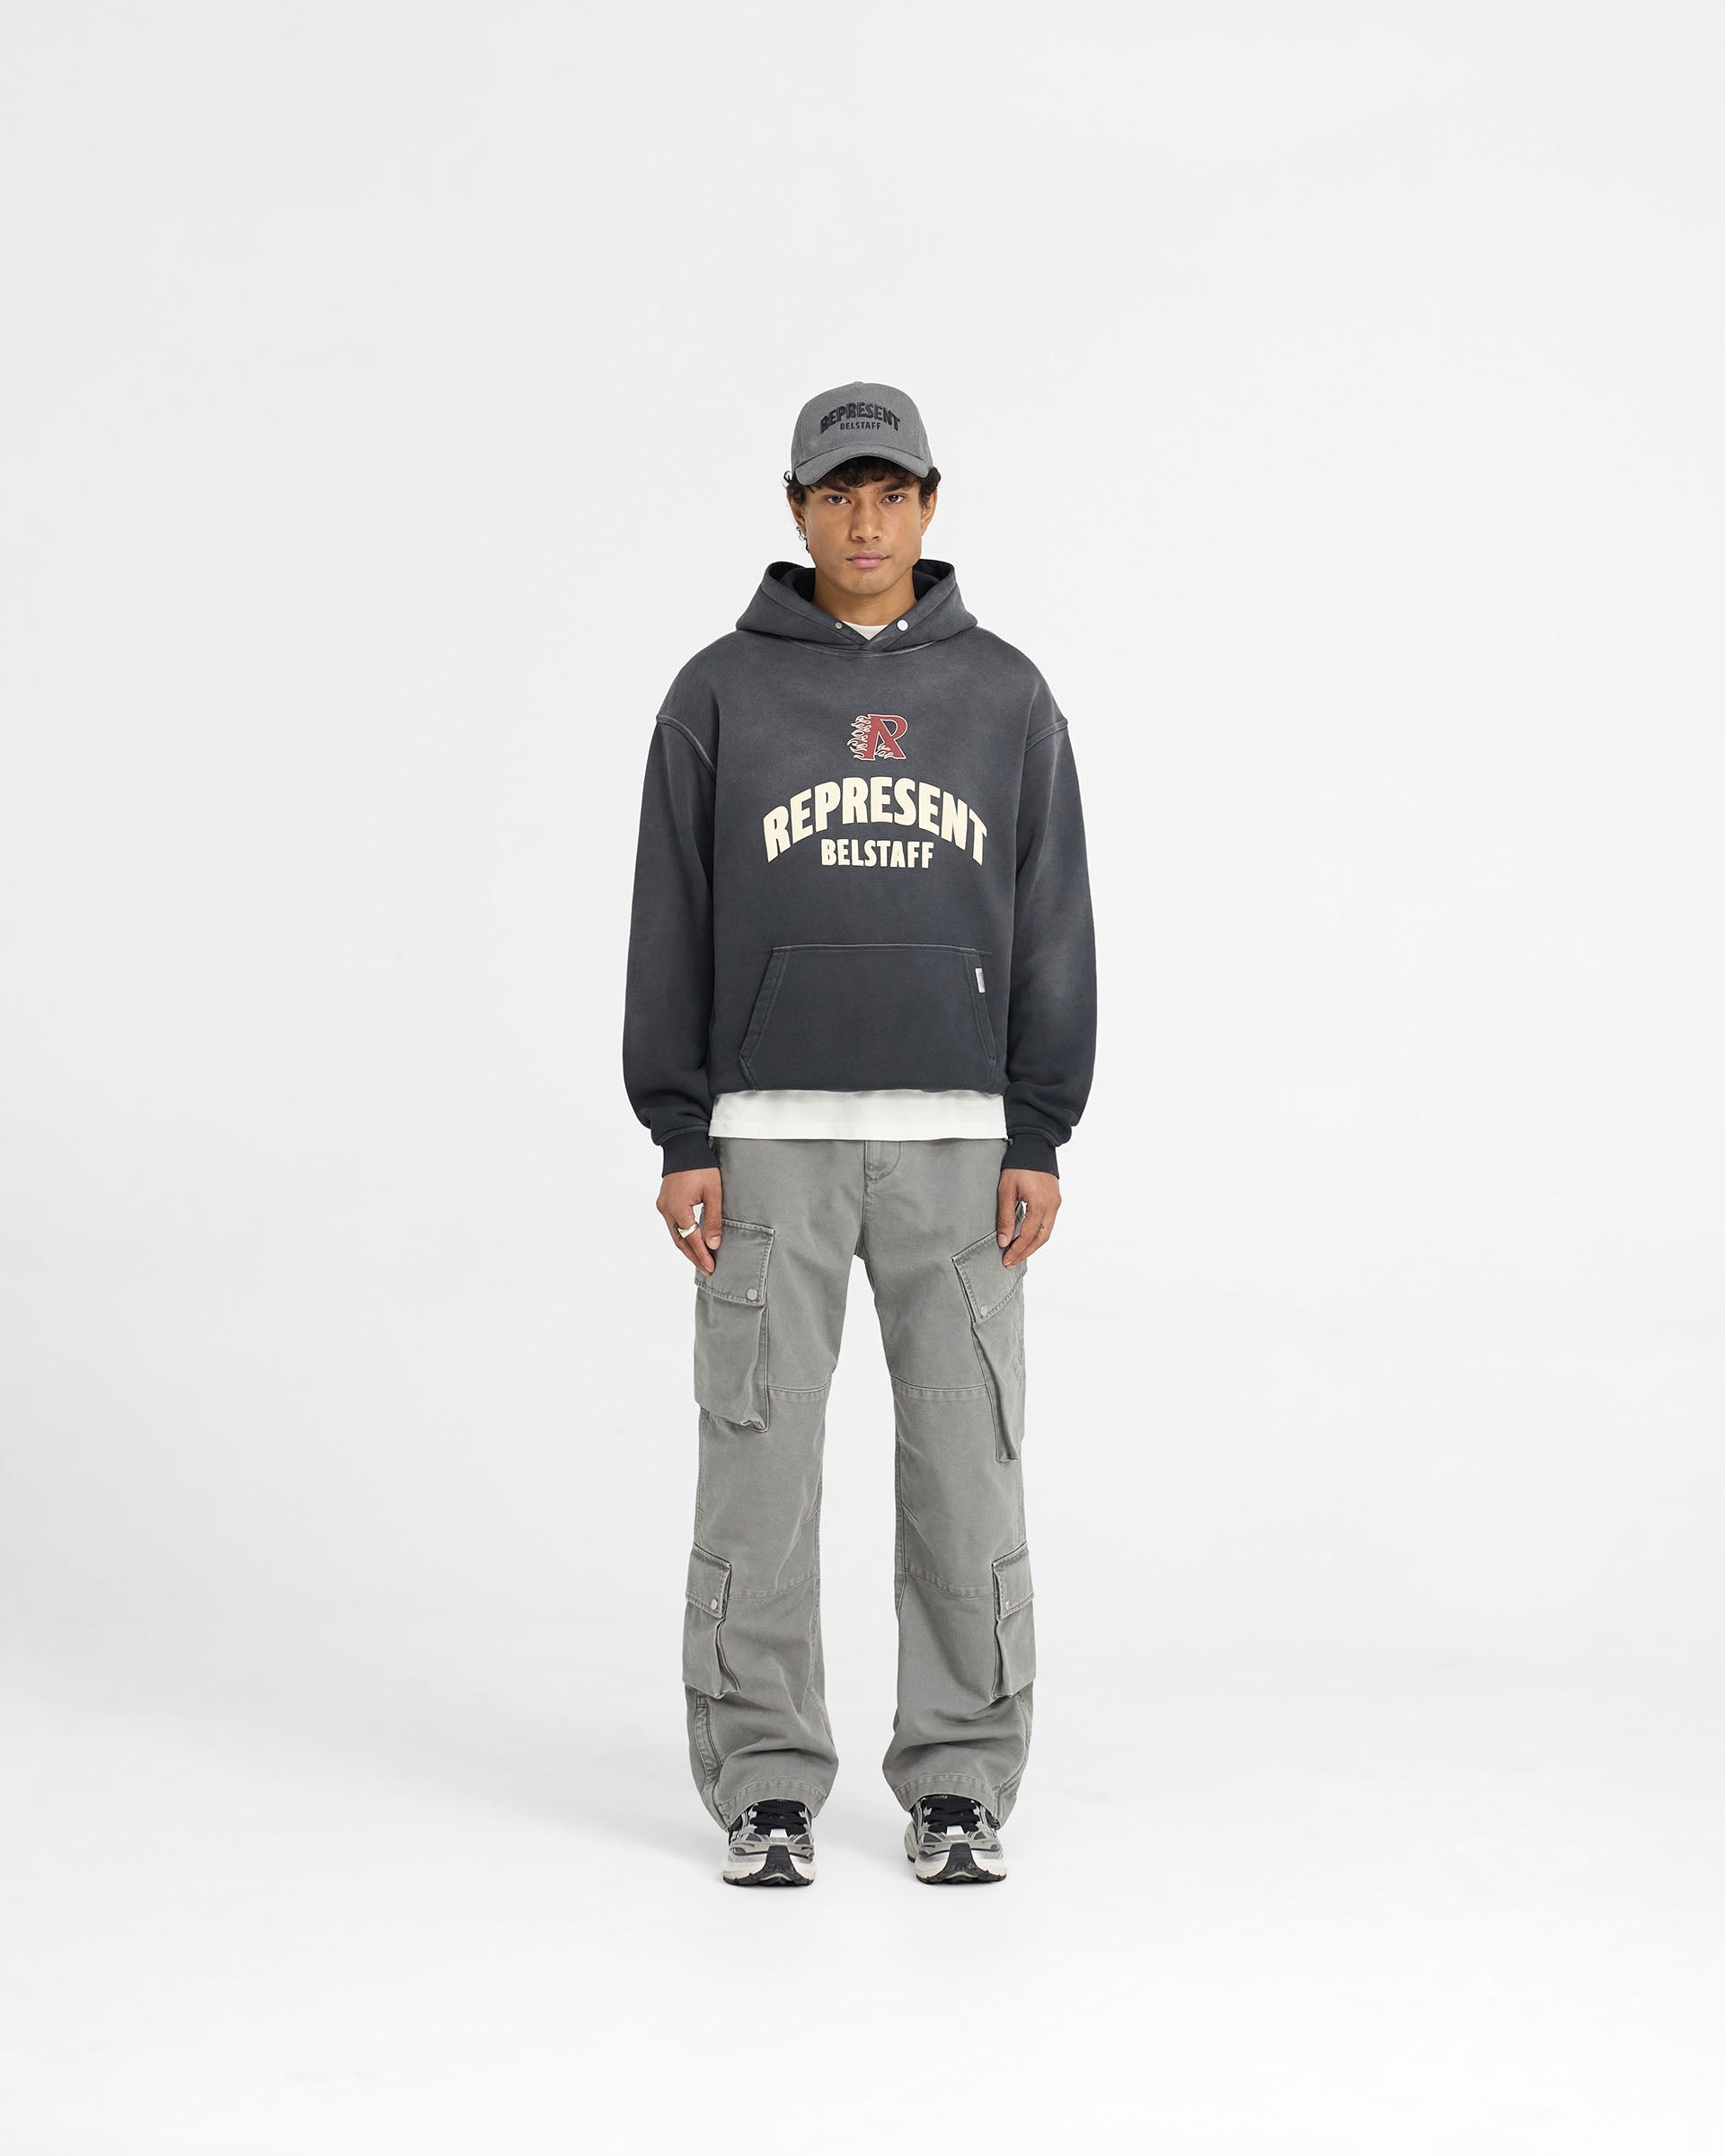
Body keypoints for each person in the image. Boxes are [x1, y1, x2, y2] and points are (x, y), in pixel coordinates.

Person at [622, 379, 1096, 1886]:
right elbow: (671, 920)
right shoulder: (718, 694)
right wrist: (681, 1133)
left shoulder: (1006, 697)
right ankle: (765, 1782)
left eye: (891, 493)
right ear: (797, 508)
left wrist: (1040, 1130)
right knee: (758, 1468)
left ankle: (960, 1780)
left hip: (963, 1152)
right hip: (768, 1144)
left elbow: (1052, 923)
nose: (866, 520)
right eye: (839, 495)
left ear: (931, 505)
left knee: (965, 1467)